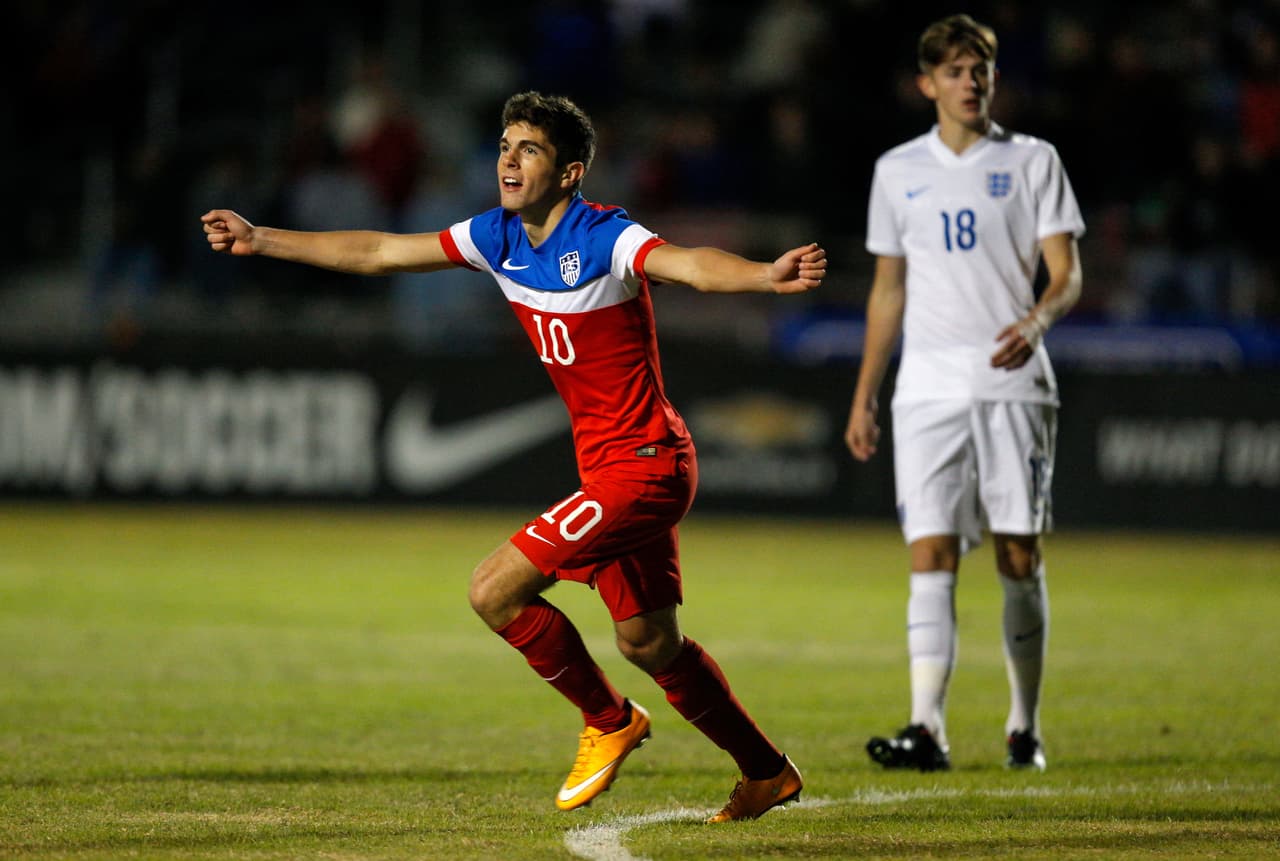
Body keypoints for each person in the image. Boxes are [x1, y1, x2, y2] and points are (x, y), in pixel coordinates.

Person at [202, 91, 825, 820]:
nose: (508, 158)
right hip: (612, 470)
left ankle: (609, 720)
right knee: (649, 641)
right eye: (504, 145)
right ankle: (766, 771)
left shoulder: (604, 237)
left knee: (493, 589)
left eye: (529, 149)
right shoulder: (495, 237)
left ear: (570, 173)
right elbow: (378, 250)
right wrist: (261, 238)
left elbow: (687, 264)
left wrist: (762, 275)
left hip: (646, 463)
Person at [844, 14, 1084, 773]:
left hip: (1013, 385)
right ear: (927, 84)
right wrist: (865, 393)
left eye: (979, 67)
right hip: (927, 390)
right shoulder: (897, 171)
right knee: (931, 552)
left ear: (993, 77)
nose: (969, 81)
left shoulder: (1034, 160)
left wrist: (1040, 317)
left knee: (1018, 552)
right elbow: (888, 291)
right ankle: (926, 727)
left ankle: (1024, 725)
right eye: (953, 70)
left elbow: (1066, 270)